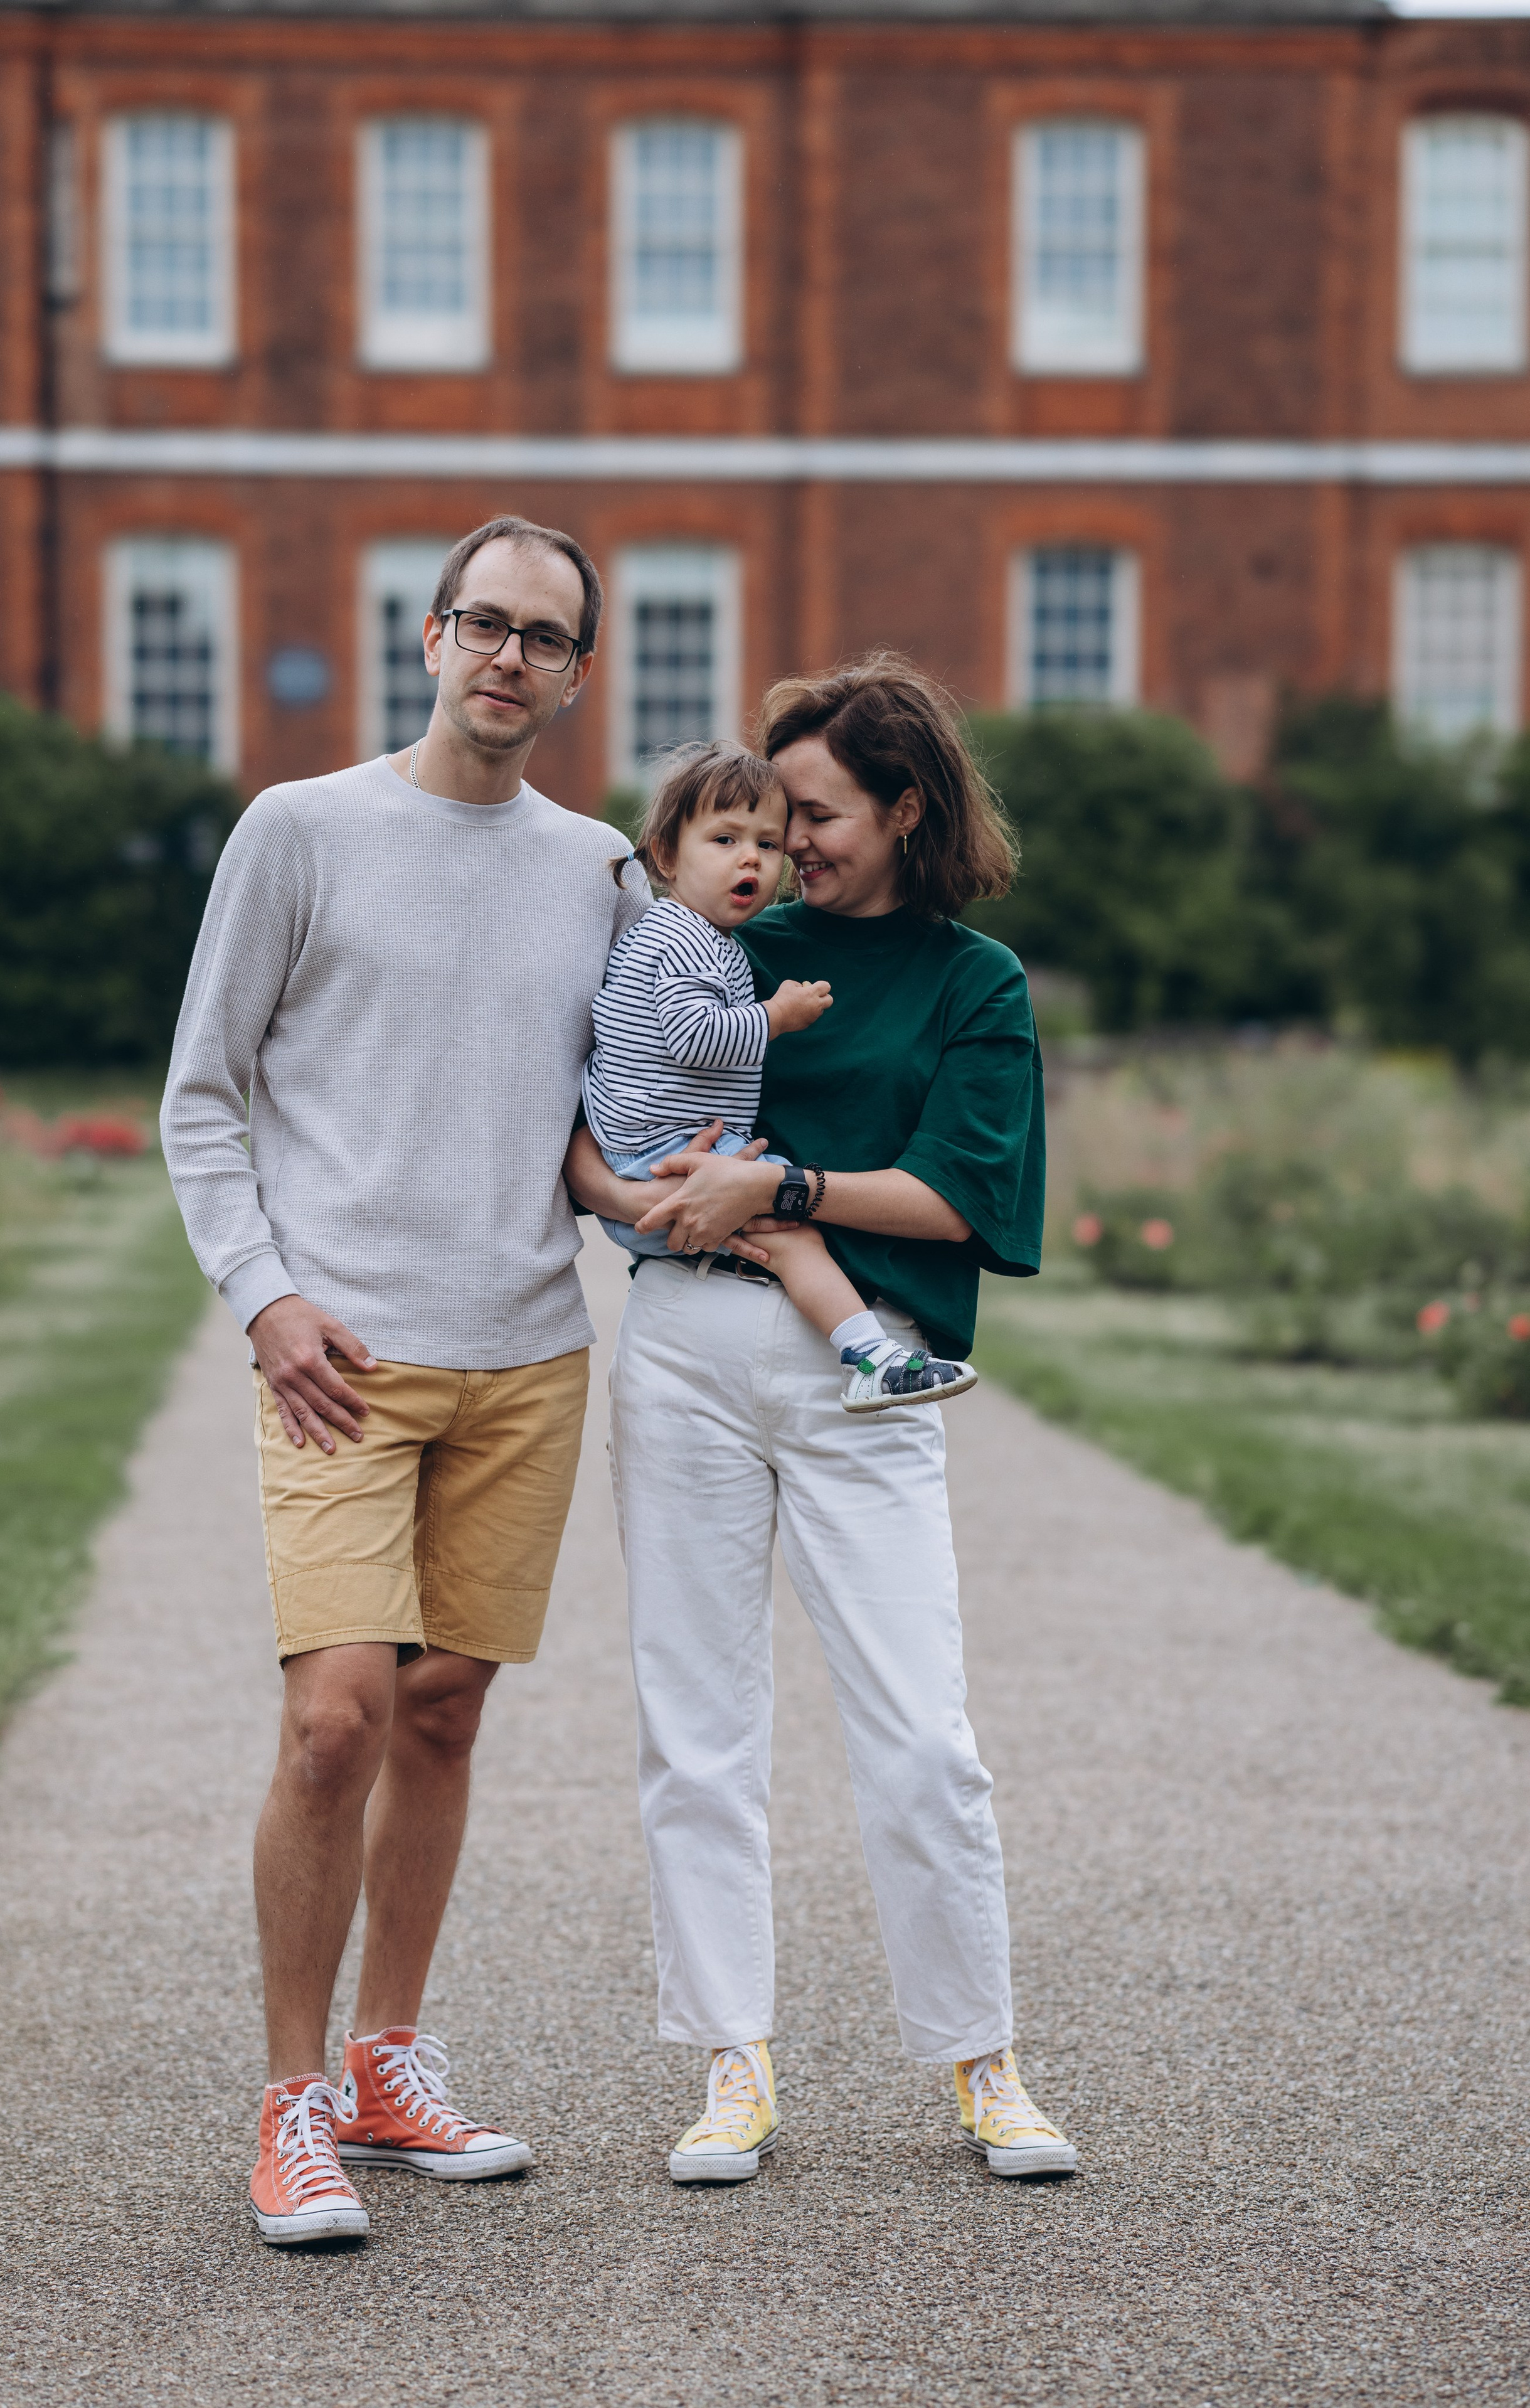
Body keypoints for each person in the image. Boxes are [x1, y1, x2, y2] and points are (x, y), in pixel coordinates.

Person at [162, 514, 647, 2246]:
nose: (510, 656)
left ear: (579, 675)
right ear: (431, 637)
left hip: (529, 1353)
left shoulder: (601, 870)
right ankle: (290, 2101)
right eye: (485, 623)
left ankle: (386, 2061)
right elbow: (202, 1094)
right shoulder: (300, 831)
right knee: (332, 1719)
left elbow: (628, 1104)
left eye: (547, 637)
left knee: (443, 1710)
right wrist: (265, 1297)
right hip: (341, 1358)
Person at [566, 654, 1077, 2186]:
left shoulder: (971, 981)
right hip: (681, 1359)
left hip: (863, 1368)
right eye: (770, 815)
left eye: (816, 813)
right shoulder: (715, 937)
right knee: (696, 1731)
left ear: (904, 806)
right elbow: (589, 1101)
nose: (783, 843)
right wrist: (622, 1193)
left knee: (921, 1735)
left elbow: (962, 1196)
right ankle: (732, 2060)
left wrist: (778, 1189)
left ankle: (983, 2062)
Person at [582, 738, 977, 1412]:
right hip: (661, 1157)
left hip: (649, 1159)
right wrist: (775, 1015)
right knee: (796, 1238)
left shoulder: (701, 937)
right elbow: (694, 1035)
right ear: (667, 855)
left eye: (768, 845)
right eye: (726, 839)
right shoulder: (681, 938)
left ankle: (870, 1356)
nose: (755, 858)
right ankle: (871, 1356)